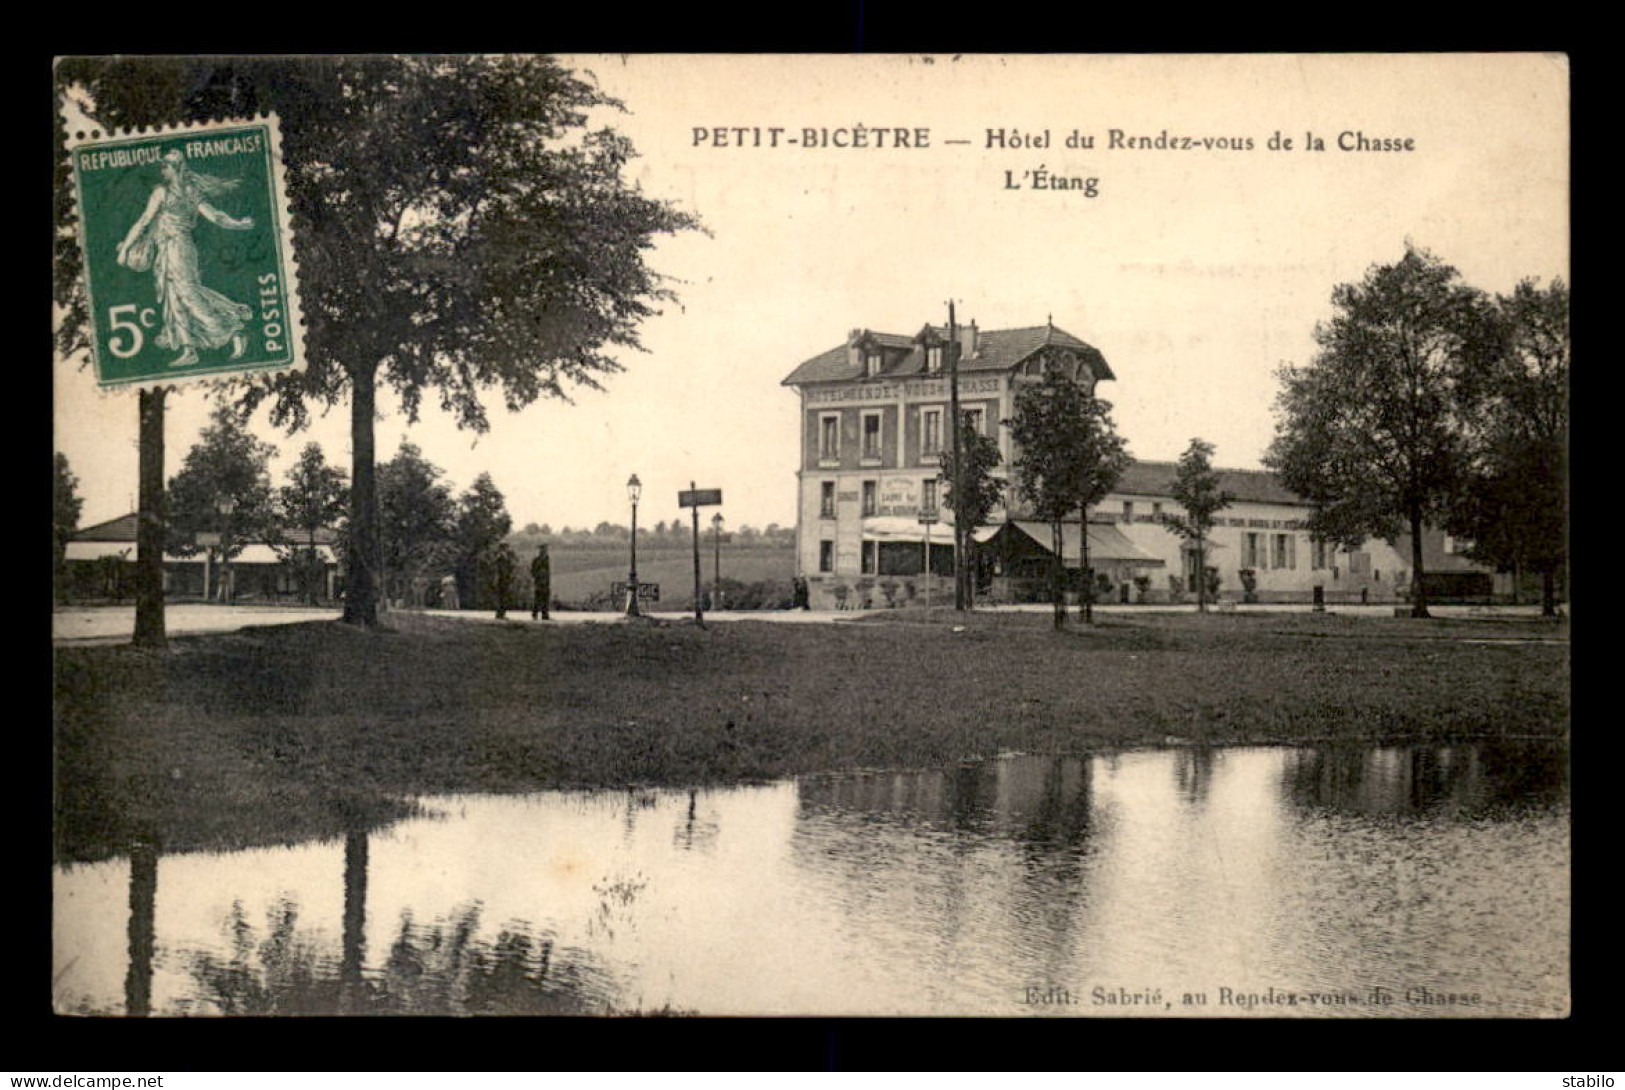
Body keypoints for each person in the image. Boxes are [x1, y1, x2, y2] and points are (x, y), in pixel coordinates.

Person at [116, 149, 256, 368]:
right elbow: (145, 222)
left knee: (188, 293)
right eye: (163, 166)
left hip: (179, 248)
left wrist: (237, 224)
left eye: (166, 166)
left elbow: (215, 216)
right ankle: (189, 348)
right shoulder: (170, 192)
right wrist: (126, 246)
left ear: (177, 168)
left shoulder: (176, 192)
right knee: (175, 297)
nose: (162, 169)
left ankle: (232, 329)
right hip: (167, 249)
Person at [493, 543, 516, 619]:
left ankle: (501, 613)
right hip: (501, 579)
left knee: (504, 597)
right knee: (501, 597)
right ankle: (500, 613)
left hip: (505, 579)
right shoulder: (500, 558)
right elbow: (499, 569)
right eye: (505, 548)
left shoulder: (506, 557)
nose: (507, 549)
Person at [530, 545, 552, 620]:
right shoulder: (537, 560)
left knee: (545, 598)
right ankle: (535, 614)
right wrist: (538, 577)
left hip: (546, 582)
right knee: (538, 598)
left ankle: (545, 614)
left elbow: (547, 572)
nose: (545, 552)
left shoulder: (546, 559)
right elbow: (533, 571)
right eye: (544, 550)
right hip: (539, 582)